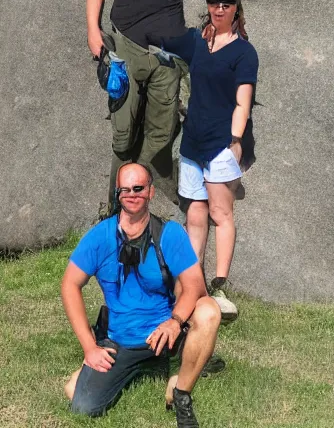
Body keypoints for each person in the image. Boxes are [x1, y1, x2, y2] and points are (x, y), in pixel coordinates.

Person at [85, 0, 252, 209]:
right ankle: (115, 213)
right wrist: (94, 29)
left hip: (166, 59)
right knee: (123, 136)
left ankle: (141, 182)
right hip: (126, 49)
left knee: (161, 134)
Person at [61, 161, 221, 427]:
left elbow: (195, 286)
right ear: (117, 193)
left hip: (165, 333)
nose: (132, 195)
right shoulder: (100, 236)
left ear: (151, 191)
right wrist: (90, 347)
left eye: (138, 188)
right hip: (122, 340)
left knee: (209, 310)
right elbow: (69, 285)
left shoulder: (169, 233)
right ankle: (151, 366)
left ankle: (180, 391)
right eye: (125, 190)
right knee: (81, 404)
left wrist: (175, 321)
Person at [156, 0, 258, 322]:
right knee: (194, 217)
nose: (219, 8)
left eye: (226, 3)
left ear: (236, 9)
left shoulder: (245, 52)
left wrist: (235, 140)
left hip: (219, 146)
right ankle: (191, 282)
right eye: (214, 2)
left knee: (221, 214)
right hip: (191, 145)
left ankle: (219, 286)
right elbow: (163, 39)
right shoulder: (198, 43)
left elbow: (243, 102)